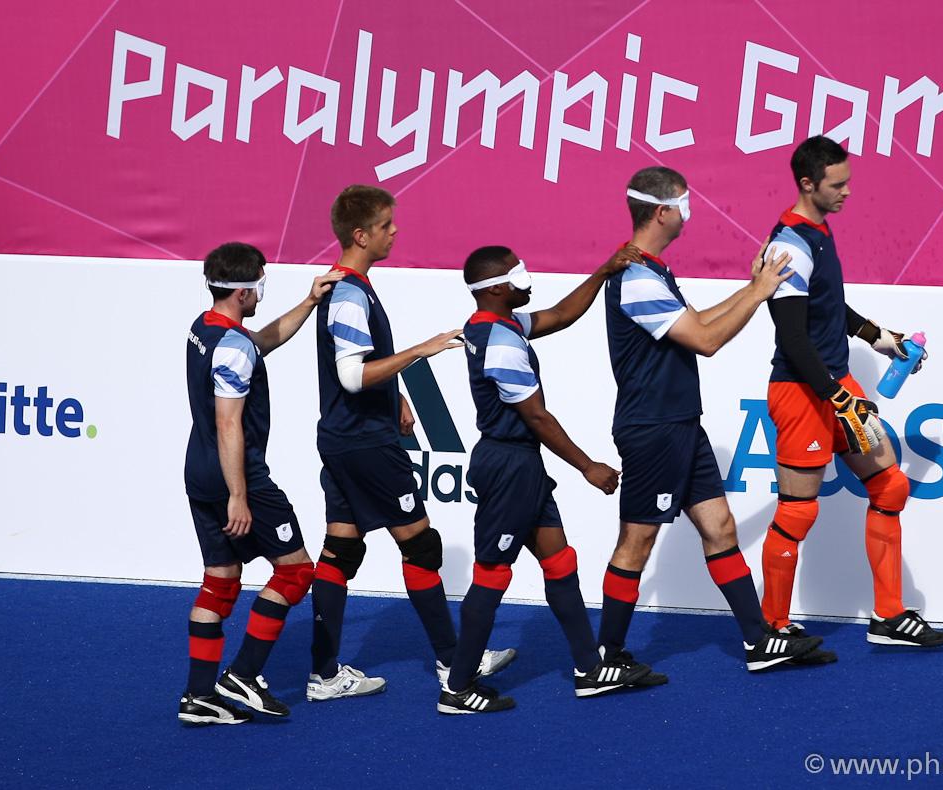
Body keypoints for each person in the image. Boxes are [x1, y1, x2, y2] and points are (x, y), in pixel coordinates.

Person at [598, 166, 825, 676]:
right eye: (684, 203)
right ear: (663, 212)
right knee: (637, 542)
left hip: (680, 424)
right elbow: (707, 341)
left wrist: (752, 286)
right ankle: (605, 659)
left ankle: (756, 641)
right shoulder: (634, 278)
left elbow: (698, 322)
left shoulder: (652, 270)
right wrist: (761, 290)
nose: (689, 212)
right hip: (653, 429)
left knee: (719, 527)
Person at [308, 185, 514, 701]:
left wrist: (395, 396)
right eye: (386, 225)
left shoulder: (350, 288)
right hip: (364, 444)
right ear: (362, 235)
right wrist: (419, 352)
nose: (395, 231)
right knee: (421, 546)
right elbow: (352, 377)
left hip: (343, 438)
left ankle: (325, 673)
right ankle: (453, 662)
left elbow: (358, 373)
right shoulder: (351, 295)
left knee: (341, 549)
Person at [438, 244, 664, 714]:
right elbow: (538, 418)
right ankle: (457, 688)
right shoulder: (500, 341)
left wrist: (603, 267)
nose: (527, 276)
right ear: (497, 287)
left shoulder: (495, 326)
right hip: (509, 468)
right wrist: (589, 467)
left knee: (560, 561)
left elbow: (561, 315)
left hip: (521, 464)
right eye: (518, 272)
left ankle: (588, 669)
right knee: (492, 574)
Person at [759, 135, 943, 649]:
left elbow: (828, 310)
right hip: (803, 392)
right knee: (797, 511)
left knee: (890, 486)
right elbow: (793, 336)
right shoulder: (788, 245)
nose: (848, 192)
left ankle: (888, 617)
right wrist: (834, 394)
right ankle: (773, 629)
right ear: (808, 184)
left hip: (833, 386)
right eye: (837, 184)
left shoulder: (819, 232)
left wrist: (879, 338)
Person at [180, 242, 344, 725]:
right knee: (294, 573)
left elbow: (260, 342)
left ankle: (198, 697)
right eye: (260, 283)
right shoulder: (232, 347)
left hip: (199, 470)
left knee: (220, 582)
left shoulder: (205, 329)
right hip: (240, 476)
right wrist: (239, 495)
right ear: (244, 290)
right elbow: (229, 423)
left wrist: (310, 301)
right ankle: (244, 675)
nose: (262, 292)